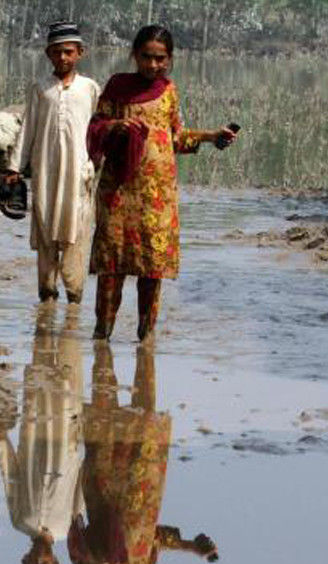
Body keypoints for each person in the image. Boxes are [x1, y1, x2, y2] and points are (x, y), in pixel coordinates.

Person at [87, 25, 239, 342]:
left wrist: (211, 137)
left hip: (158, 197)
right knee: (112, 269)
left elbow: (176, 138)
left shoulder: (168, 91)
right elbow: (95, 128)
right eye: (146, 57)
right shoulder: (117, 87)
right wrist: (117, 125)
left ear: (169, 59)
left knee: (151, 269)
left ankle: (146, 339)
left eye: (160, 59)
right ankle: (102, 337)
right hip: (119, 192)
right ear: (134, 54)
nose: (153, 65)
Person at [69, 343, 219, 564]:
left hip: (105, 487)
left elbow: (79, 547)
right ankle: (145, 346)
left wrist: (102, 560)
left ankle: (103, 342)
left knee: (104, 407)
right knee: (146, 409)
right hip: (142, 485)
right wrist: (191, 546)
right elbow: (150, 541)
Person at [5, 21, 102, 304]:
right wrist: (14, 167)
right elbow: (28, 130)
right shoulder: (40, 89)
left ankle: (74, 297)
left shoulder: (90, 89)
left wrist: (99, 165)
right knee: (46, 230)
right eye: (57, 52)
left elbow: (100, 130)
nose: (63, 58)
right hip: (45, 173)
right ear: (48, 54)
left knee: (77, 232)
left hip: (79, 175)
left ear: (80, 53)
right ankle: (46, 296)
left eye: (68, 52)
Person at [0, 307, 86, 564]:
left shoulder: (20, 521)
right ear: (55, 563)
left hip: (34, 434)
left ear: (24, 559)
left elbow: (12, 479)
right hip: (67, 436)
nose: (38, 559)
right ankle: (72, 312)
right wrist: (91, 445)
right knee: (69, 363)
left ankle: (46, 311)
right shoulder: (70, 528)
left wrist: (1, 439)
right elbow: (83, 486)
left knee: (41, 362)